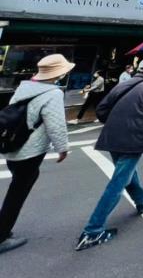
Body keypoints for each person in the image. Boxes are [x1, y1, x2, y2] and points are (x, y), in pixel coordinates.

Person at [75, 58, 143, 251]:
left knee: (126, 173)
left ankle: (142, 198)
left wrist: (116, 122)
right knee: (118, 182)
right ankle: (92, 231)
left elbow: (102, 109)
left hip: (112, 137)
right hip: (133, 139)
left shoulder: (124, 84)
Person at [0, 54, 71, 255]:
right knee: (17, 194)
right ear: (60, 73)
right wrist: (62, 148)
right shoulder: (53, 93)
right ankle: (2, 235)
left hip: (14, 148)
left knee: (17, 187)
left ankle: (4, 230)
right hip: (30, 151)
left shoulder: (25, 87)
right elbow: (56, 124)